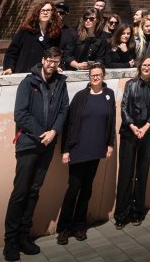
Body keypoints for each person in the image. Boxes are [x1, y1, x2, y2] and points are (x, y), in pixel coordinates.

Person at [4, 47, 68, 261]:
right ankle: (10, 242)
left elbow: (63, 110)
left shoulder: (61, 82)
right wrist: (42, 133)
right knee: (20, 192)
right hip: (29, 144)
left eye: (56, 61)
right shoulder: (28, 83)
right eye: (49, 60)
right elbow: (20, 114)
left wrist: (54, 132)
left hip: (48, 145)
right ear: (43, 60)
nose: (52, 64)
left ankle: (24, 236)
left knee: (34, 191)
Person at [56, 62, 115, 243]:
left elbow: (111, 121)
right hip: (78, 149)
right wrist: (65, 150)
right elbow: (69, 124)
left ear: (103, 76)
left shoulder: (109, 95)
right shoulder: (80, 97)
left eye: (98, 75)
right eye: (92, 75)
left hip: (96, 150)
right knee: (74, 188)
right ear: (88, 78)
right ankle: (64, 228)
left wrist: (110, 144)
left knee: (87, 189)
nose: (95, 77)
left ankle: (79, 226)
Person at [114, 55, 150, 228]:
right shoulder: (130, 84)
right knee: (126, 173)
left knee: (142, 173)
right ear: (140, 66)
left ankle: (137, 211)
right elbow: (124, 108)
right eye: (144, 65)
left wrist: (146, 127)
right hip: (130, 132)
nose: (147, 68)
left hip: (148, 134)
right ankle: (121, 214)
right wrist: (134, 127)